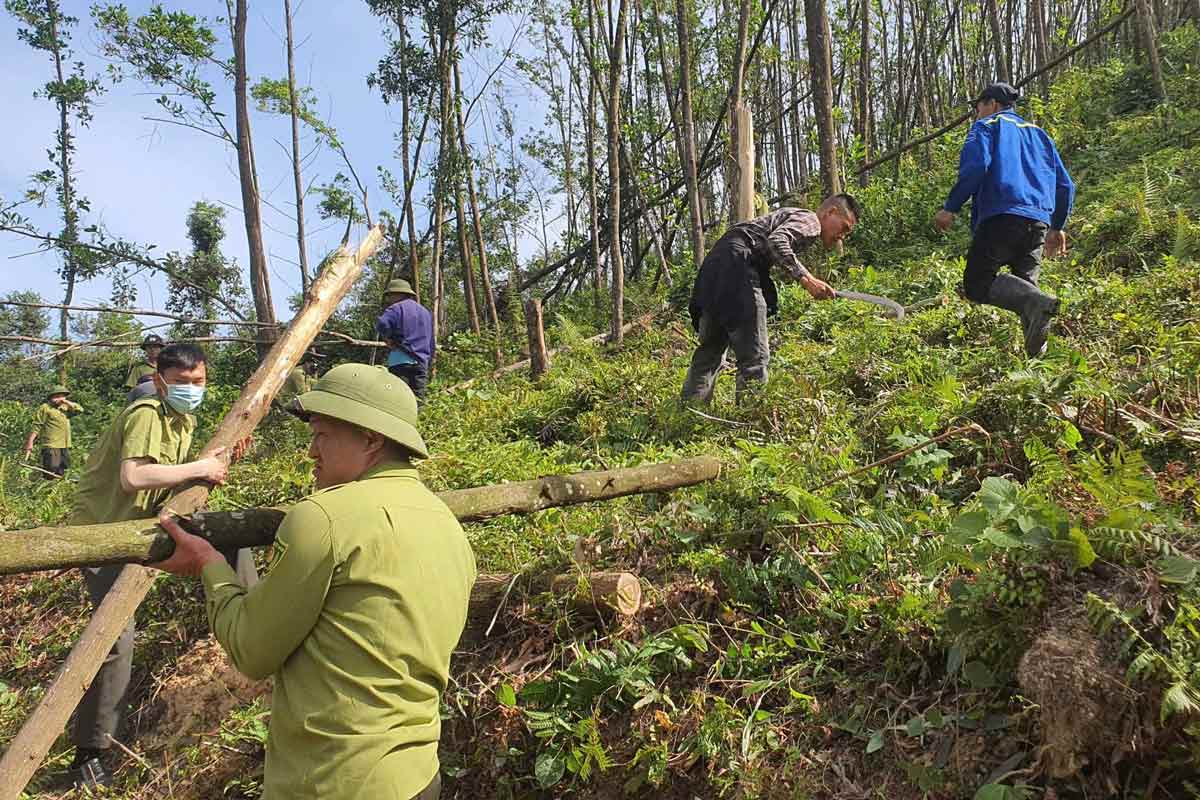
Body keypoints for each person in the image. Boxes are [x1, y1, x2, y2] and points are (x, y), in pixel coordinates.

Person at [154, 363, 476, 800]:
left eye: (322, 435)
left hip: (331, 781)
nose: (311, 451)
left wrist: (209, 565)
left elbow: (251, 650)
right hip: (417, 776)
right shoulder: (446, 524)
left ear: (371, 439)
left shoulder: (323, 518)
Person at [67, 343, 257, 789]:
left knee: (234, 540)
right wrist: (201, 467)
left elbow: (174, 475)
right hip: (104, 533)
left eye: (199, 381)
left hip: (148, 528)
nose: (192, 389)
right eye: (183, 382)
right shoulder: (147, 412)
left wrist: (217, 464)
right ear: (160, 378)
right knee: (116, 637)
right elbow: (134, 477)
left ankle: (256, 628)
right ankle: (89, 753)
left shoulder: (182, 418)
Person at [934, 81, 1075, 357]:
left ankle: (1038, 307)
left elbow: (976, 167)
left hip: (1001, 215)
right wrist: (1057, 226)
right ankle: (1037, 365)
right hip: (1037, 221)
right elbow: (1065, 185)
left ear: (992, 105)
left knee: (977, 283)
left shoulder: (986, 127)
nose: (976, 114)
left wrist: (950, 207)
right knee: (1028, 294)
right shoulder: (1040, 134)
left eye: (977, 108)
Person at [681, 194, 861, 403]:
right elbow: (777, 241)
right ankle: (752, 424)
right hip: (738, 265)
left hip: (714, 267)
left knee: (709, 353)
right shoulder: (811, 221)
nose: (842, 236)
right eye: (845, 227)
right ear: (831, 212)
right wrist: (808, 280)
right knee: (754, 358)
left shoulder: (791, 216)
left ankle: (687, 417)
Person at [376, 278, 434, 401]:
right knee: (417, 399)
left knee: (397, 399)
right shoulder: (425, 312)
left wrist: (388, 338)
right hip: (421, 362)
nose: (388, 299)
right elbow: (431, 341)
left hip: (400, 360)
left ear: (397, 294)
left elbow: (382, 324)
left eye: (390, 295)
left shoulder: (395, 309)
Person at [23, 385, 83, 479]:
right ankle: (46, 490)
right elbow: (37, 426)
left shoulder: (65, 408)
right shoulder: (45, 408)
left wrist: (66, 402)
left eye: (62, 396)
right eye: (57, 396)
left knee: (64, 469)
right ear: (51, 397)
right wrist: (30, 443)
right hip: (51, 445)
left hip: (65, 444)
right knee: (51, 471)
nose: (59, 398)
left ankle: (59, 492)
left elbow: (80, 410)